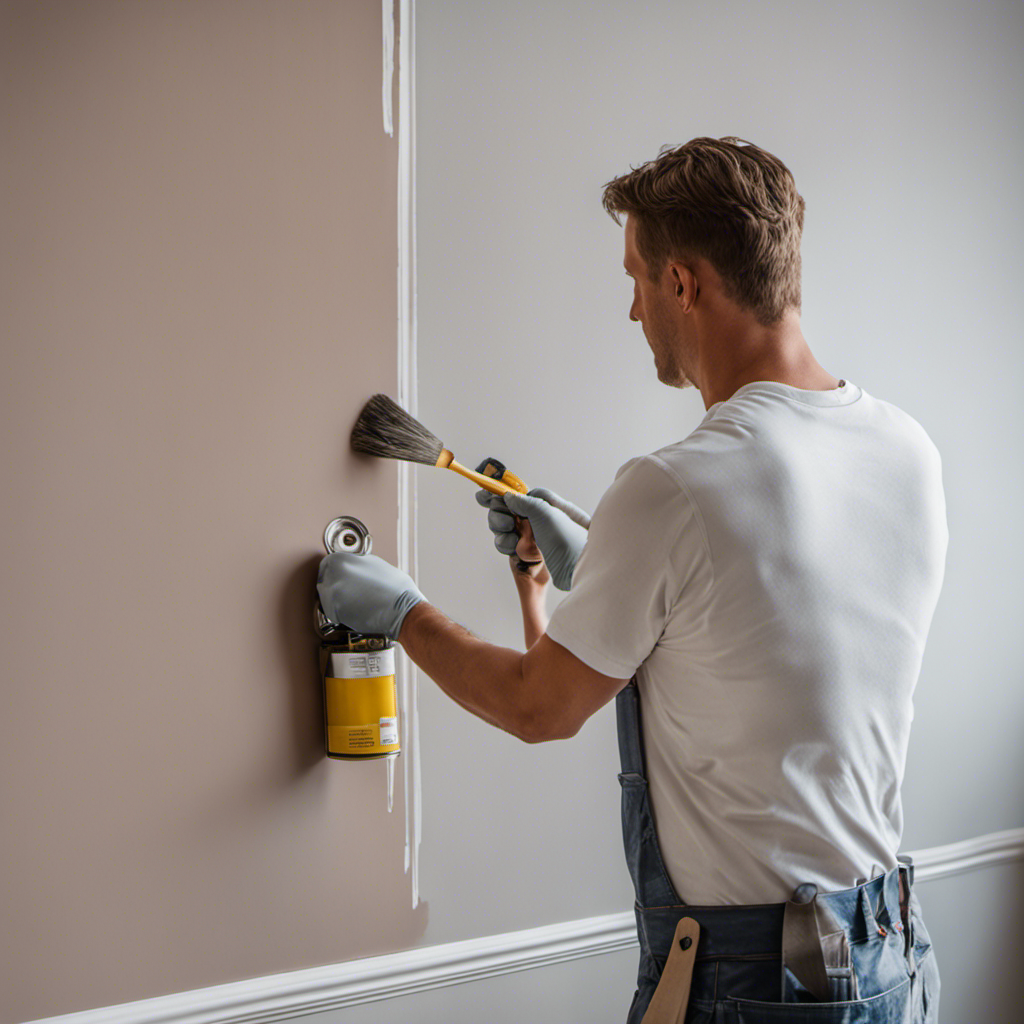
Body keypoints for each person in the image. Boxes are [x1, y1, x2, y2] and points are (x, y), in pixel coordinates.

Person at [317, 136, 947, 1023]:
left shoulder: (676, 486)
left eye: (635, 280)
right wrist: (577, 572)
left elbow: (542, 709)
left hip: (751, 982)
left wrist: (402, 611)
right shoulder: (905, 449)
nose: (632, 310)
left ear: (683, 284)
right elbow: (767, 640)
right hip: (889, 959)